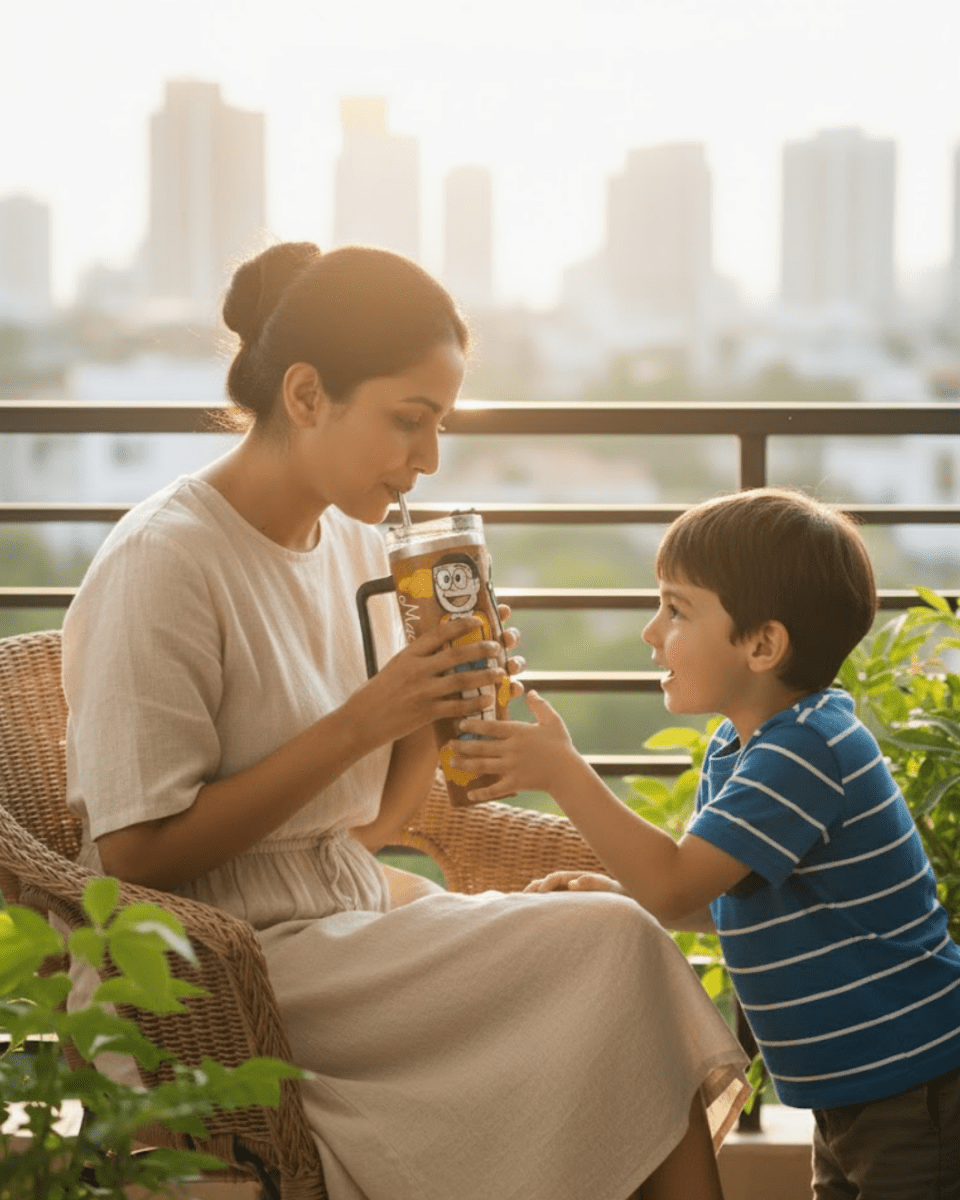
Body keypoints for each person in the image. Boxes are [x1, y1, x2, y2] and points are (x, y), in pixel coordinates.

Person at [62, 241, 750, 1200]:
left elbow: (376, 823)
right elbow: (133, 859)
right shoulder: (166, 561)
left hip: (343, 920)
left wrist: (435, 704)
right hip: (217, 969)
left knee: (609, 949)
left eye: (440, 426)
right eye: (408, 420)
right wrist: (363, 719)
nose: (427, 458)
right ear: (307, 394)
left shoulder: (356, 544)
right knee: (612, 946)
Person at [452, 486, 960, 1199]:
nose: (650, 632)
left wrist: (563, 772)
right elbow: (726, 898)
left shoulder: (807, 750)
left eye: (676, 609)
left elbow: (675, 883)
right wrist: (625, 894)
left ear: (762, 645)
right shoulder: (741, 749)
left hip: (916, 1085)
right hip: (855, 1090)